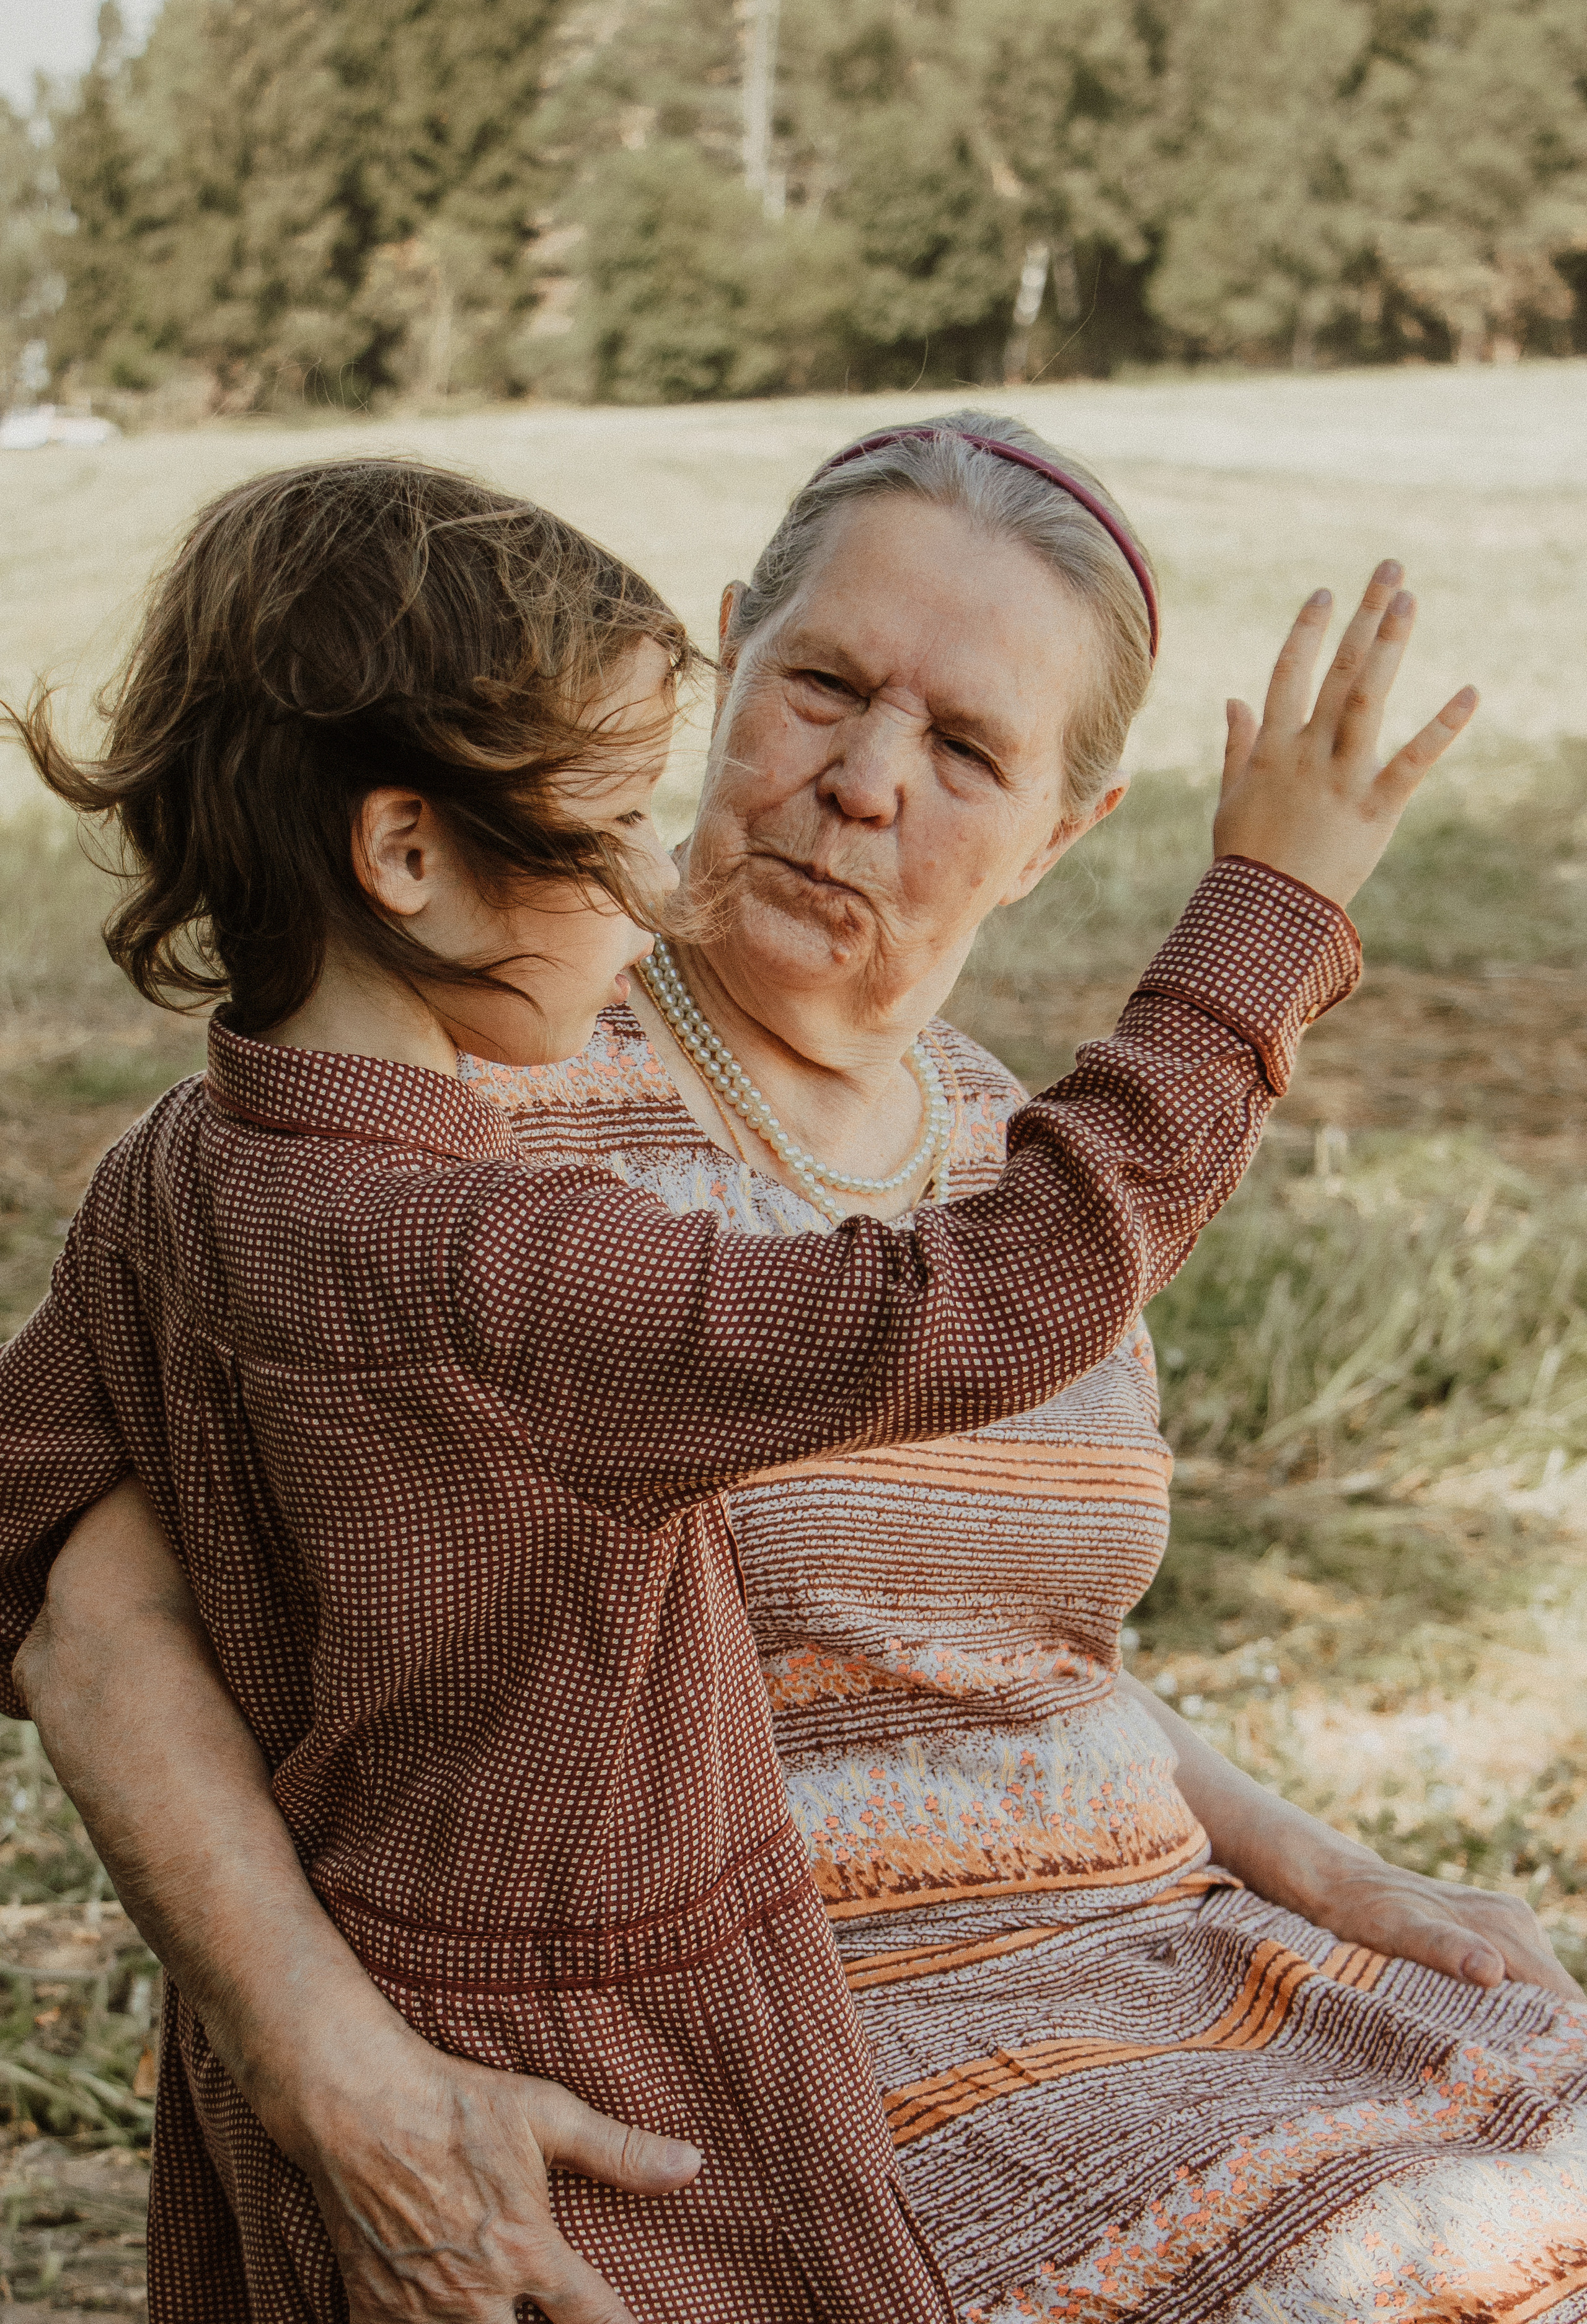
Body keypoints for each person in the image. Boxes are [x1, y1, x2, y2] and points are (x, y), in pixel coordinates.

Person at [1, 421, 1485, 2324]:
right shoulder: (473, 1116)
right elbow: (83, 1613)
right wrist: (321, 2064)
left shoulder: (1002, 1135)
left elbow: (1019, 1655)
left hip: (1146, 1949)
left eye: (963, 750)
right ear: (724, 664)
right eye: (824, 687)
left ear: (1063, 833)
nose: (864, 785)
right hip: (755, 2058)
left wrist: (1328, 1876)